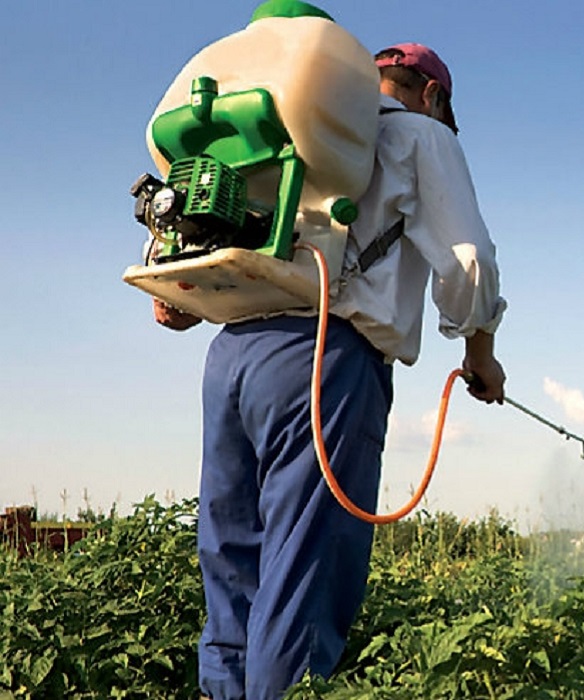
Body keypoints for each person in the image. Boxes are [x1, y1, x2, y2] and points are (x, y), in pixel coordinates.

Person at [153, 33, 507, 700]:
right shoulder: (421, 137)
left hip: (230, 359)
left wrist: (186, 297)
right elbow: (469, 261)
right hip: (323, 360)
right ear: (433, 95)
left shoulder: (287, 123)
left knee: (231, 559)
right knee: (303, 572)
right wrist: (478, 353)